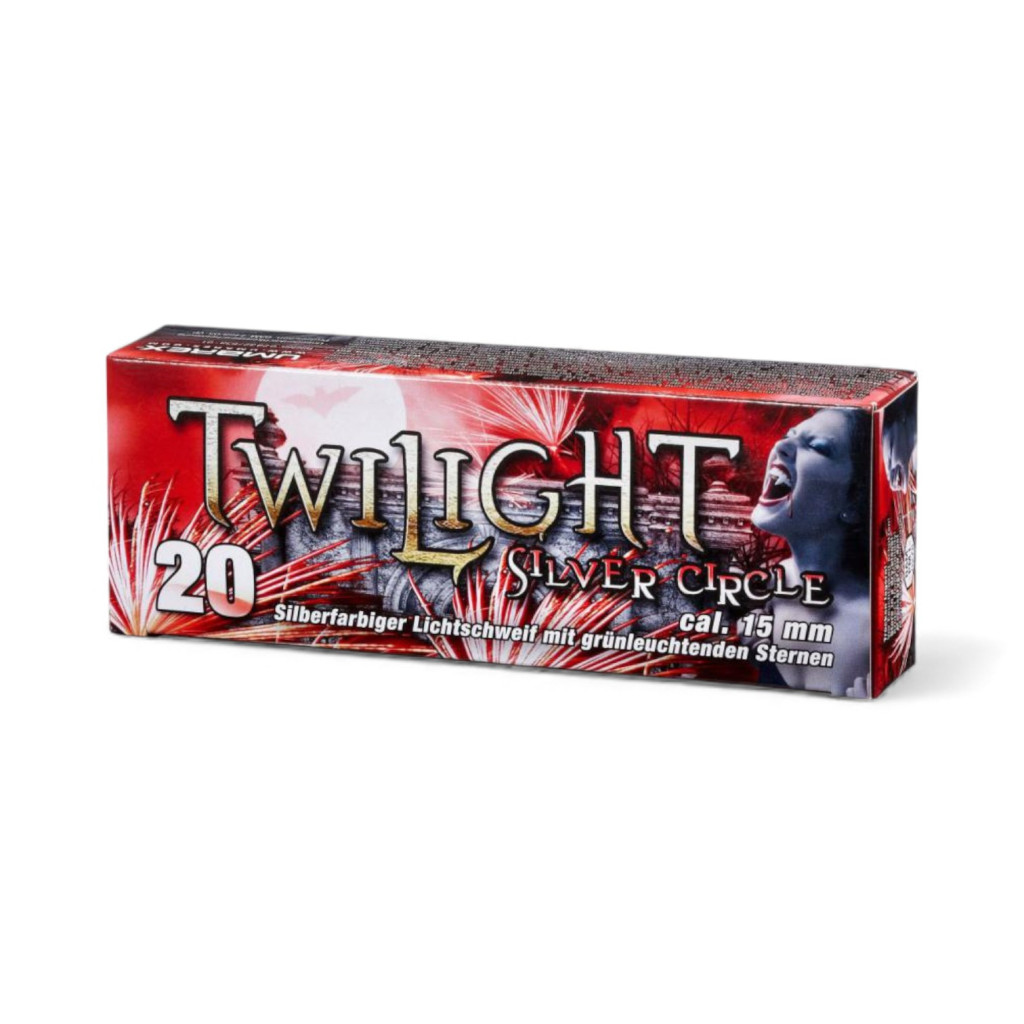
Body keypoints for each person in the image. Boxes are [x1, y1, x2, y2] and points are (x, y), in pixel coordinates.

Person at [749, 408, 872, 696]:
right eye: (788, 435)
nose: (781, 445)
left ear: (854, 501)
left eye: (816, 446)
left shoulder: (869, 626)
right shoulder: (769, 587)